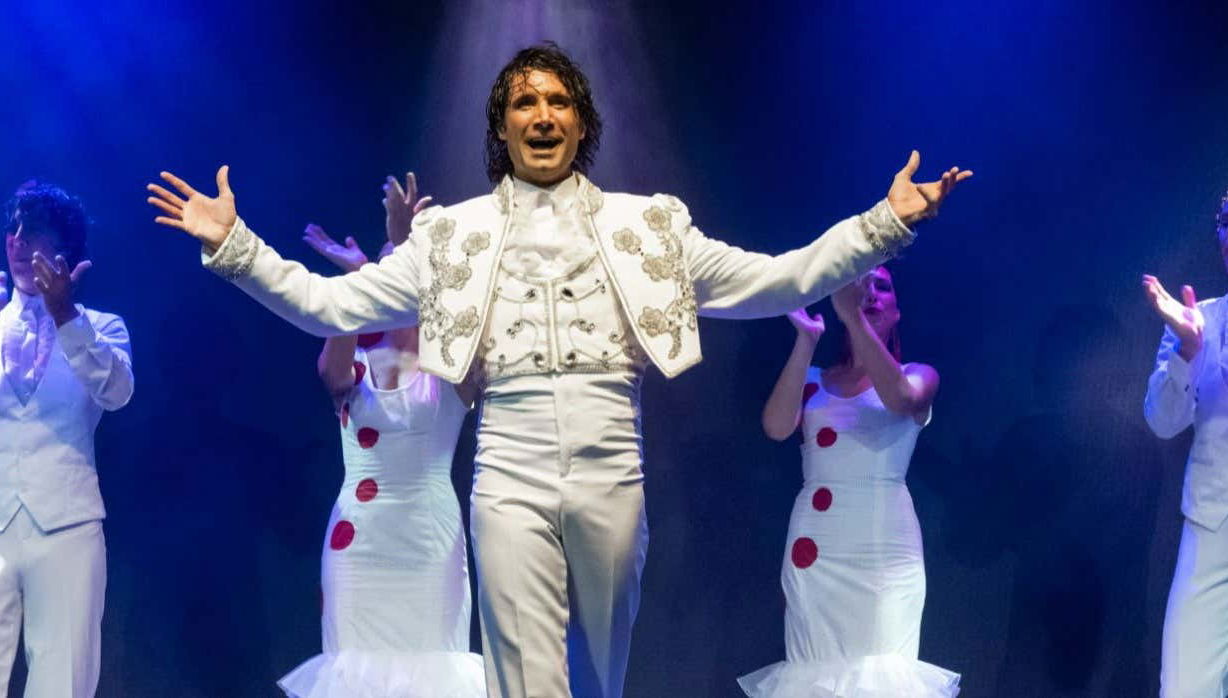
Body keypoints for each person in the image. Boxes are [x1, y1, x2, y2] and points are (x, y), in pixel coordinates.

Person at [146, 43, 971, 698]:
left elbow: (781, 279)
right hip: (508, 466)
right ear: (501, 128)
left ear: (582, 124)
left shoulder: (648, 226)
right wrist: (238, 247)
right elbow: (329, 306)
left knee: (600, 670)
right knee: (523, 677)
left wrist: (882, 224)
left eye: (558, 101)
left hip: (613, 466)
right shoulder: (450, 237)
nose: (542, 115)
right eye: (523, 103)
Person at [278, 174, 485, 697]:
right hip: (360, 541)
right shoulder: (356, 364)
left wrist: (412, 245)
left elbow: (467, 333)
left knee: (434, 672)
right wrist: (358, 279)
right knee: (354, 671)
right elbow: (334, 360)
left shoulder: (449, 368)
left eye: (405, 271)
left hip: (429, 541)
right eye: (387, 271)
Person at [740, 267, 959, 697]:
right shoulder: (814, 379)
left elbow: (901, 399)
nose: (870, 292)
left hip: (884, 547)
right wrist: (806, 341)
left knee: (884, 669)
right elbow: (776, 427)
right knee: (813, 668)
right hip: (818, 542)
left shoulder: (919, 374)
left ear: (897, 311)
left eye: (882, 287)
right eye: (861, 283)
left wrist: (853, 318)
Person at [0, 183, 133, 697]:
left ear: (63, 249)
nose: (16, 239)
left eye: (31, 229)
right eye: (12, 228)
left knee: (63, 682)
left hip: (67, 527)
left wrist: (65, 317)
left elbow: (117, 392)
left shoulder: (102, 327)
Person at [1143, 193, 1228, 698]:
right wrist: (1188, 352)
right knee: (1184, 687)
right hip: (1212, 526)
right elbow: (1162, 421)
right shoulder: (1199, 322)